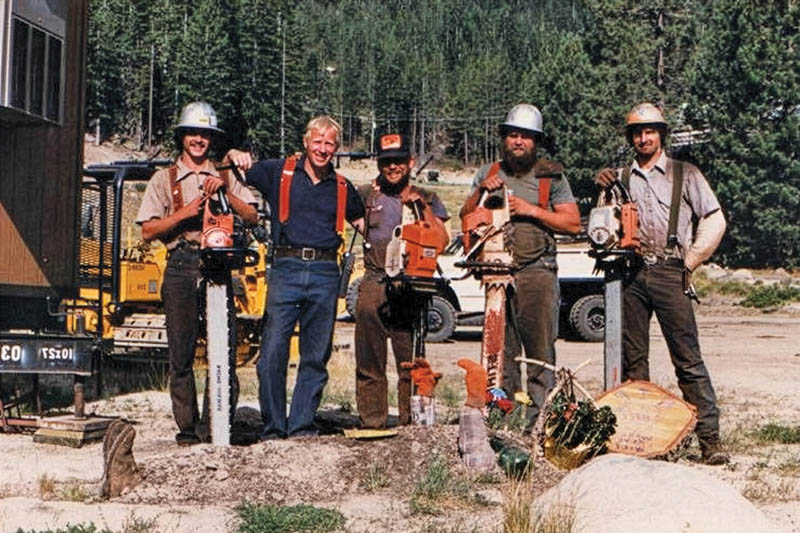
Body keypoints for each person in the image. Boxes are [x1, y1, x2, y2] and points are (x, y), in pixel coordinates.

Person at [595, 102, 728, 464]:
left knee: (687, 359)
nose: (643, 137)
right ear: (631, 138)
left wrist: (691, 261)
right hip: (631, 274)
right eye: (637, 132)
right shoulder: (620, 177)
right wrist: (601, 189)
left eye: (650, 131)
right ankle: (643, 442)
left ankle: (710, 440)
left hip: (672, 270)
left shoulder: (685, 174)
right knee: (633, 361)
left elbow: (715, 219)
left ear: (661, 134)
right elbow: (602, 229)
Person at [227, 116, 365, 439]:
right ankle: (274, 428)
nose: (322, 149)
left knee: (315, 355)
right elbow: (235, 168)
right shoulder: (280, 172)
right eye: (317, 141)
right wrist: (234, 153)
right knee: (273, 351)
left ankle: (302, 425)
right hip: (286, 269)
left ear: (337, 148)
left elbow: (365, 224)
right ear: (305, 142)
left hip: (325, 273)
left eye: (329, 143)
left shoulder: (343, 187)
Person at [136, 101, 258, 446]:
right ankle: (188, 430)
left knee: (225, 350)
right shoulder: (165, 179)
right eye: (192, 133)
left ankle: (216, 426)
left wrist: (225, 194)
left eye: (204, 134)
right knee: (181, 352)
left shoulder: (226, 173)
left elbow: (251, 216)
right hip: (181, 262)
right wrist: (184, 214)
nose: (198, 140)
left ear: (211, 139)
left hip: (219, 264)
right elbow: (148, 230)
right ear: (182, 137)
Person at [460, 103, 581, 428]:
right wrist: (478, 197)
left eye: (526, 137)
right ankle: (504, 424)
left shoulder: (549, 175)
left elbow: (572, 223)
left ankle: (540, 425)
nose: (518, 142)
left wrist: (531, 210)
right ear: (504, 138)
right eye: (513, 135)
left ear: (536, 141)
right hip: (496, 274)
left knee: (540, 355)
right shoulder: (487, 173)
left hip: (537, 272)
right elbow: (466, 217)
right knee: (500, 355)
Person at [355, 133, 450, 429]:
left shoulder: (429, 197)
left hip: (411, 286)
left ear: (410, 162)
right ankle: (373, 421)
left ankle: (412, 423)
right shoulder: (365, 195)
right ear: (378, 164)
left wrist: (420, 205)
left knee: (410, 359)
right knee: (369, 358)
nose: (392, 168)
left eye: (398, 161)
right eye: (386, 162)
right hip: (374, 279)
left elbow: (443, 239)